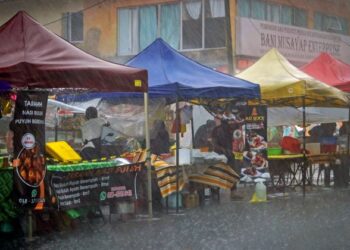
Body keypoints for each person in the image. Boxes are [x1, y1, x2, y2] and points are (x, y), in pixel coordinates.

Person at [211, 114, 243, 200]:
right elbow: (214, 144)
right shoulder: (217, 130)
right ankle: (216, 192)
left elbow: (235, 140)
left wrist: (230, 151)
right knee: (221, 173)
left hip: (229, 154)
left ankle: (232, 192)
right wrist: (224, 150)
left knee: (230, 172)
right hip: (221, 155)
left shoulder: (230, 129)